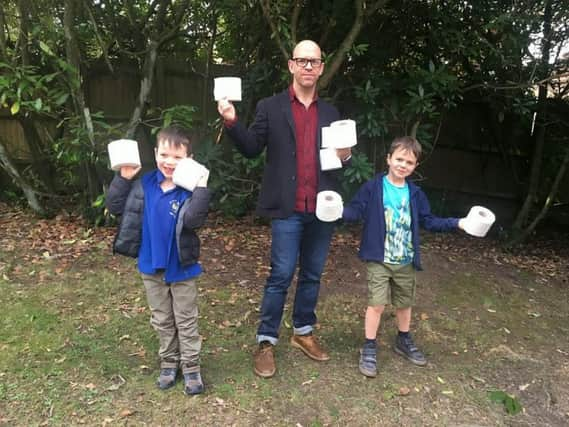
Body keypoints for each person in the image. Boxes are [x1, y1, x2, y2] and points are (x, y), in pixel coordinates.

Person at [217, 40, 351, 378]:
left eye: (314, 61)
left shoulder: (332, 114)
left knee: (312, 274)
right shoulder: (270, 107)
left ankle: (303, 333)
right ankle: (266, 341)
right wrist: (232, 122)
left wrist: (345, 157)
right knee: (280, 275)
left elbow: (338, 165)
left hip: (321, 208)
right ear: (291, 65)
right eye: (301, 60)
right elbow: (250, 149)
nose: (308, 67)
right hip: (287, 208)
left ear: (321, 68)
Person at [342, 136, 466, 377]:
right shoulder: (373, 187)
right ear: (388, 159)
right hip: (379, 259)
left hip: (406, 261)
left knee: (404, 304)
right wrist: (336, 211)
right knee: (376, 304)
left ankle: (403, 339)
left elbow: (429, 221)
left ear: (415, 166)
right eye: (399, 159)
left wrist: (458, 223)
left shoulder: (415, 194)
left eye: (409, 162)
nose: (403, 165)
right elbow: (355, 210)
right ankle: (369, 346)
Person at [106, 125, 211, 394]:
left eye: (177, 157)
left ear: (189, 158)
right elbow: (115, 207)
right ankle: (168, 362)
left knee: (185, 319)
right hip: (150, 266)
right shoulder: (145, 184)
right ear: (155, 153)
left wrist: (201, 187)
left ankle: (191, 367)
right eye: (164, 154)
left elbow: (193, 220)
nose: (169, 162)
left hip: (182, 268)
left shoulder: (188, 189)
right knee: (162, 319)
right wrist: (124, 178)